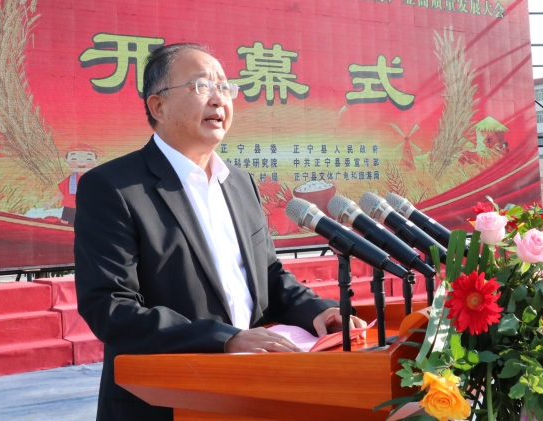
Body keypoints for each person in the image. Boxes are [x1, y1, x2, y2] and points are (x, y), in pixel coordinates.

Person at [74, 43, 365, 421]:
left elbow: (269, 276)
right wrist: (225, 340)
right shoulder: (113, 187)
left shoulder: (240, 183)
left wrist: (318, 312)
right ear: (158, 106)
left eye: (225, 87)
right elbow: (110, 307)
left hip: (255, 396)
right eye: (201, 86)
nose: (218, 99)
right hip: (166, 403)